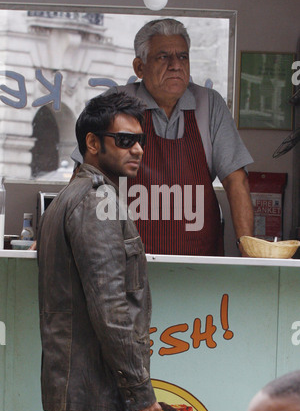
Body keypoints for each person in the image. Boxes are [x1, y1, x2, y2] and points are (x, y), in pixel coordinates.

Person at [71, 18, 254, 256]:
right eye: (163, 57)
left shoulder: (209, 105)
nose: (176, 65)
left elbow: (235, 181)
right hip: (123, 260)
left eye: (183, 57)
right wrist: (56, 236)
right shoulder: (116, 104)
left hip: (197, 262)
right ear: (139, 67)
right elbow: (83, 177)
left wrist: (250, 255)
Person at [37, 92, 161, 411]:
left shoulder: (73, 196)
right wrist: (141, 394)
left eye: (140, 140)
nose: (137, 149)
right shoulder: (96, 202)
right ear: (92, 142)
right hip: (99, 396)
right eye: (123, 140)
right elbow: (111, 310)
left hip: (80, 391)